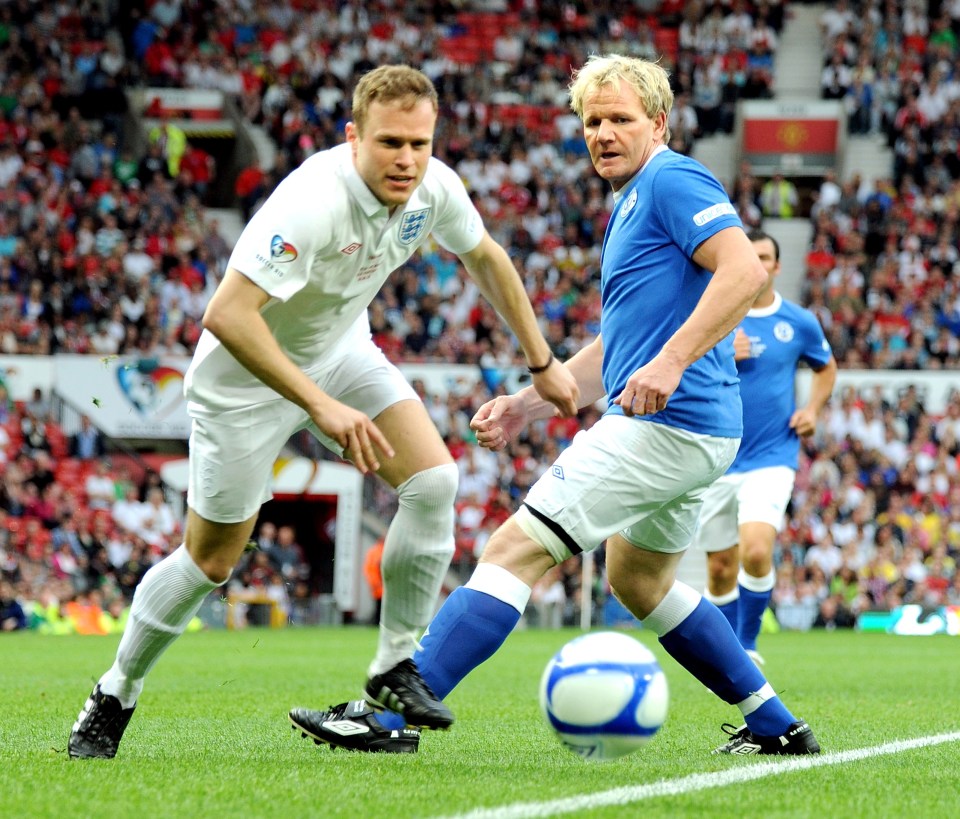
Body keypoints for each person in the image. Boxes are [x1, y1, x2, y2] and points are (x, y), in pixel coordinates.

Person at [290, 55, 821, 757]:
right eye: (592, 121)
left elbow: (744, 268)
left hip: (668, 424)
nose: (602, 133)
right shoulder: (633, 199)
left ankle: (388, 716)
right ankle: (775, 722)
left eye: (619, 119)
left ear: (658, 123)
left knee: (516, 547)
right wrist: (526, 406)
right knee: (639, 579)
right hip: (699, 430)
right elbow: (620, 345)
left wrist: (671, 361)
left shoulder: (671, 177)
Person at [68, 65, 579, 760]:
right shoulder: (311, 200)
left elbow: (486, 257)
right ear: (353, 138)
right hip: (243, 384)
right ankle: (116, 689)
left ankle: (395, 669)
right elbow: (227, 315)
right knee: (210, 560)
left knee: (434, 481)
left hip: (340, 353)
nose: (407, 159)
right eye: (390, 142)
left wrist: (543, 363)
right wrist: (318, 405)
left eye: (420, 143)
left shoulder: (435, 189)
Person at [695, 230, 837, 665]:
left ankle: (747, 646)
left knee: (756, 550)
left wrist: (812, 408)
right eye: (750, 255)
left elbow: (826, 368)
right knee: (720, 568)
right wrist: (718, 353)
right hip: (717, 457)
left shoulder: (798, 321)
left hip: (773, 455)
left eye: (766, 257)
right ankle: (727, 652)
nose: (758, 263)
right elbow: (675, 365)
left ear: (776, 266)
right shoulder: (713, 316)